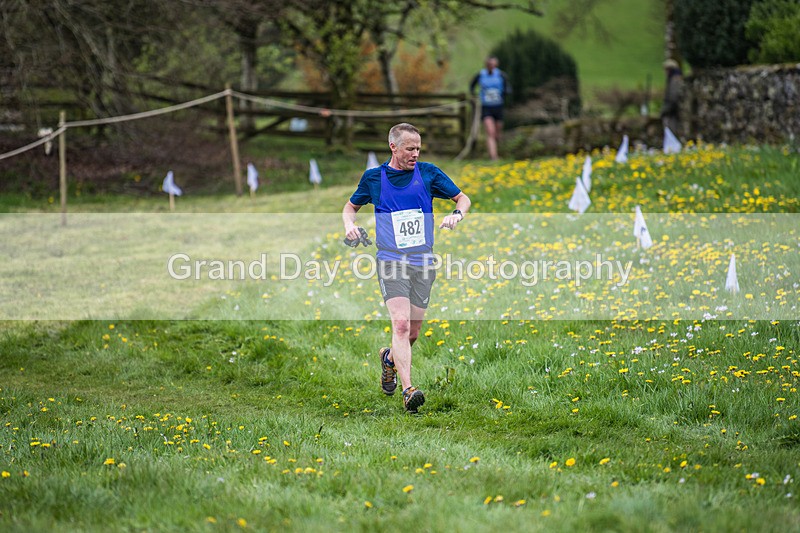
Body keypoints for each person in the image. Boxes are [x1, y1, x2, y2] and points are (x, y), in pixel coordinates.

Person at [342, 123, 471, 413]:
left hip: (423, 261)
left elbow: (463, 199)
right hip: (390, 260)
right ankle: (408, 390)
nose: (415, 154)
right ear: (394, 147)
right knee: (399, 324)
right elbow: (350, 207)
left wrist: (456, 215)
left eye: (418, 149)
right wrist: (350, 226)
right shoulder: (374, 178)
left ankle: (389, 358)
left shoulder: (428, 173)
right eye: (410, 148)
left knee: (412, 334)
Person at [470, 56, 511, 161]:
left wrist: (505, 93)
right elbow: (472, 86)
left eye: (493, 65)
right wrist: (474, 95)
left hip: (498, 107)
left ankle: (499, 151)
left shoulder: (501, 75)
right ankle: (493, 157)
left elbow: (508, 88)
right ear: (486, 65)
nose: (490, 67)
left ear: (496, 65)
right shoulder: (481, 75)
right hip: (486, 107)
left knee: (497, 133)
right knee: (490, 132)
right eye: (489, 65)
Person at [661, 58, 684, 137]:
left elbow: (673, 97)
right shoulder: (673, 79)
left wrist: (665, 110)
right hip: (672, 111)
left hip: (672, 112)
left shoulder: (675, 80)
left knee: (671, 133)